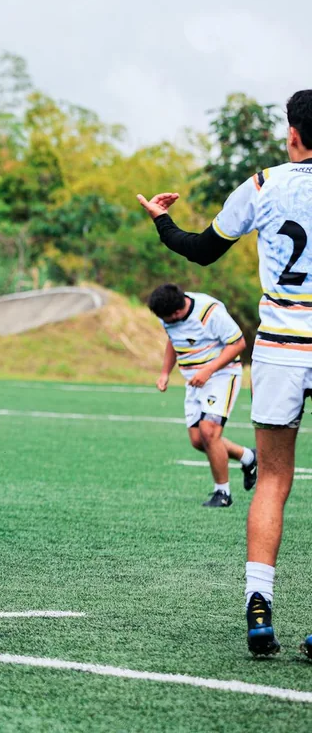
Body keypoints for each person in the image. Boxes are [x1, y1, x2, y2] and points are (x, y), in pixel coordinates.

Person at [138, 89, 312, 658]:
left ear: (292, 134)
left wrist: (162, 220)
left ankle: (259, 605)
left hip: (280, 348)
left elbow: (201, 251)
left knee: (275, 480)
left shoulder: (263, 184)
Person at [148, 283, 256, 507]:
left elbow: (238, 344)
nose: (163, 322)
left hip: (221, 376)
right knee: (199, 441)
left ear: (177, 312)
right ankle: (248, 457)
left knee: (209, 432)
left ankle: (222, 493)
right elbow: (173, 340)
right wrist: (165, 373)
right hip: (194, 381)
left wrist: (208, 370)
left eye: (166, 319)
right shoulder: (167, 314)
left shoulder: (210, 311)